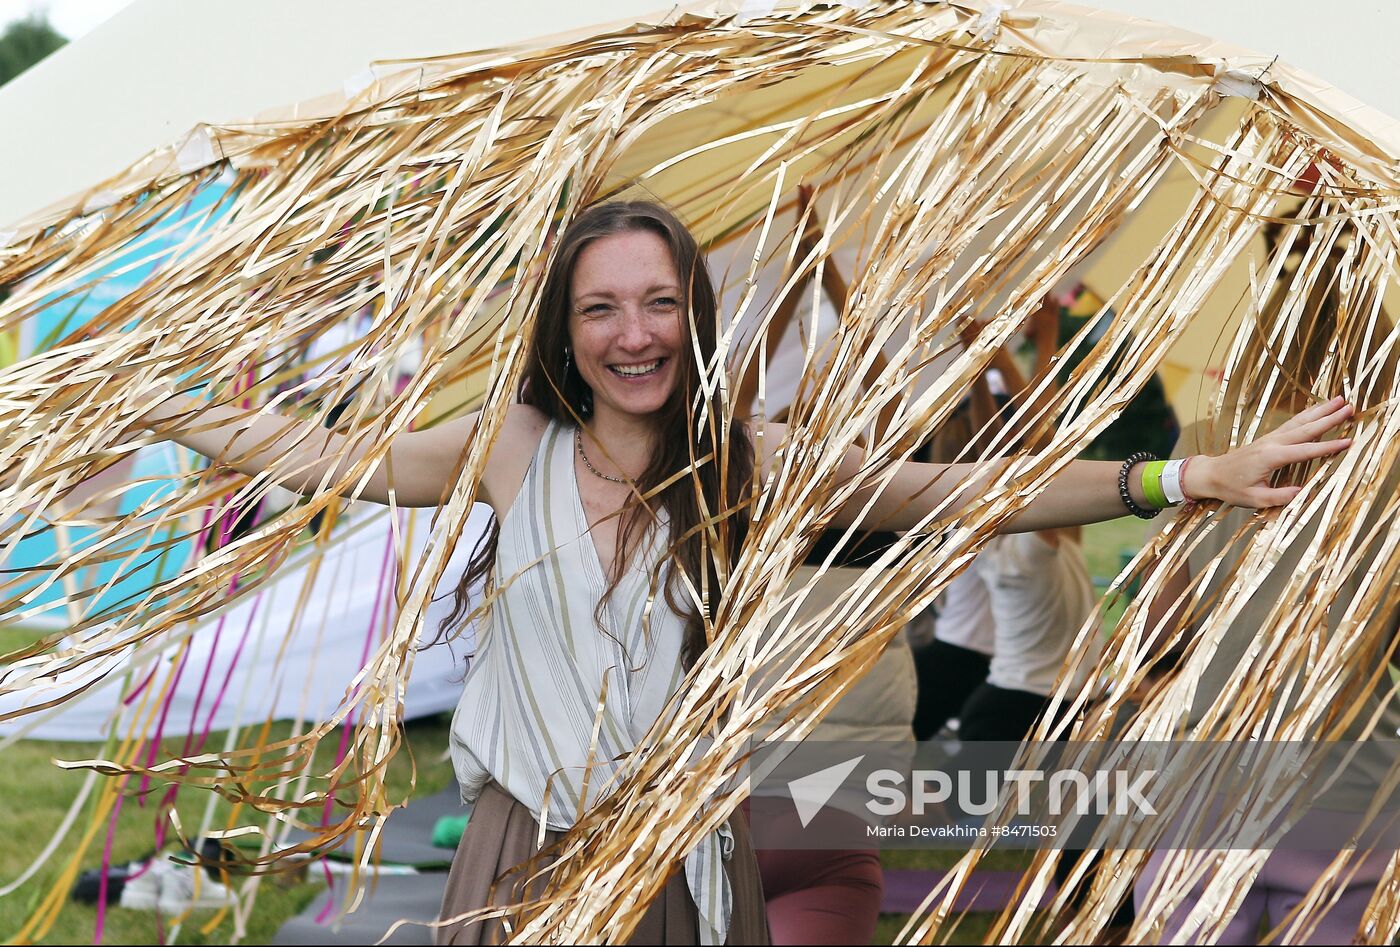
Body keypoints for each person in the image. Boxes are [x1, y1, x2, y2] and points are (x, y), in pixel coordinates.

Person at [122, 200, 1354, 944]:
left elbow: (958, 490)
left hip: (689, 839)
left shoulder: (748, 457)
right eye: (601, 308)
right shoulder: (509, 444)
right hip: (524, 841)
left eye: (659, 302)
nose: (633, 332)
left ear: (693, 317)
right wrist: (150, 400)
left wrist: (1185, 475)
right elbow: (326, 457)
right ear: (564, 328)